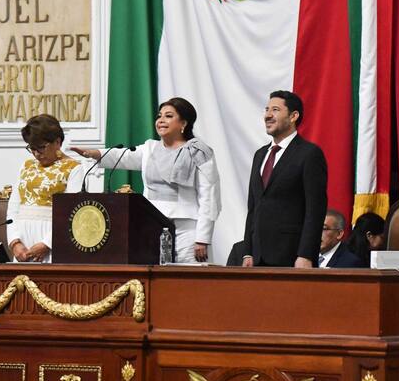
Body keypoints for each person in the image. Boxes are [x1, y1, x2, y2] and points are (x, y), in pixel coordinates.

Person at [72, 97, 221, 263]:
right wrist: (94, 153)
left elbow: (209, 196)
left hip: (186, 229)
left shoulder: (198, 151)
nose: (161, 120)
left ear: (183, 123)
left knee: (186, 280)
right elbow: (124, 156)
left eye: (169, 116)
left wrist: (202, 238)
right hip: (152, 225)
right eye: (159, 116)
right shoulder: (150, 149)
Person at [242, 91, 327, 268]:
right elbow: (253, 207)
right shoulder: (260, 155)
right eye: (266, 110)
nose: (267, 115)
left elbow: (315, 209)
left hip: (291, 256)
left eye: (275, 109)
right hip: (257, 258)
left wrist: (306, 254)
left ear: (293, 116)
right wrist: (247, 251)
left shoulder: (309, 154)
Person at [7, 114, 85, 263]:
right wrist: (15, 243)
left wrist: (47, 244)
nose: (37, 154)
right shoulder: (26, 166)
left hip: (52, 243)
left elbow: (72, 213)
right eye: (32, 148)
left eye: (41, 147)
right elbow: (13, 207)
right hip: (22, 242)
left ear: (57, 141)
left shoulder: (74, 168)